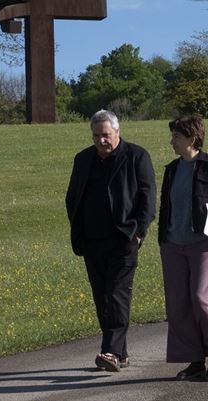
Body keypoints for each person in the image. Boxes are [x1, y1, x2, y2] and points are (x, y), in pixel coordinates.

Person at [65, 109, 156, 372]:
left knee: (117, 295)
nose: (101, 141)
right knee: (102, 298)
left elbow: (147, 198)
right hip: (92, 241)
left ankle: (111, 352)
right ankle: (121, 352)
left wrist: (138, 231)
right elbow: (72, 197)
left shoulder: (136, 156)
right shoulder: (83, 159)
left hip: (124, 239)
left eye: (105, 135)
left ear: (117, 132)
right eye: (96, 136)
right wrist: (78, 225)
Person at [158, 114, 208, 381]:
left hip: (204, 244)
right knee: (178, 303)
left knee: (200, 298)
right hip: (172, 245)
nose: (172, 142)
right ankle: (194, 361)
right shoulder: (171, 169)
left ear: (192, 138)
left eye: (176, 137)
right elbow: (166, 206)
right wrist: (163, 240)